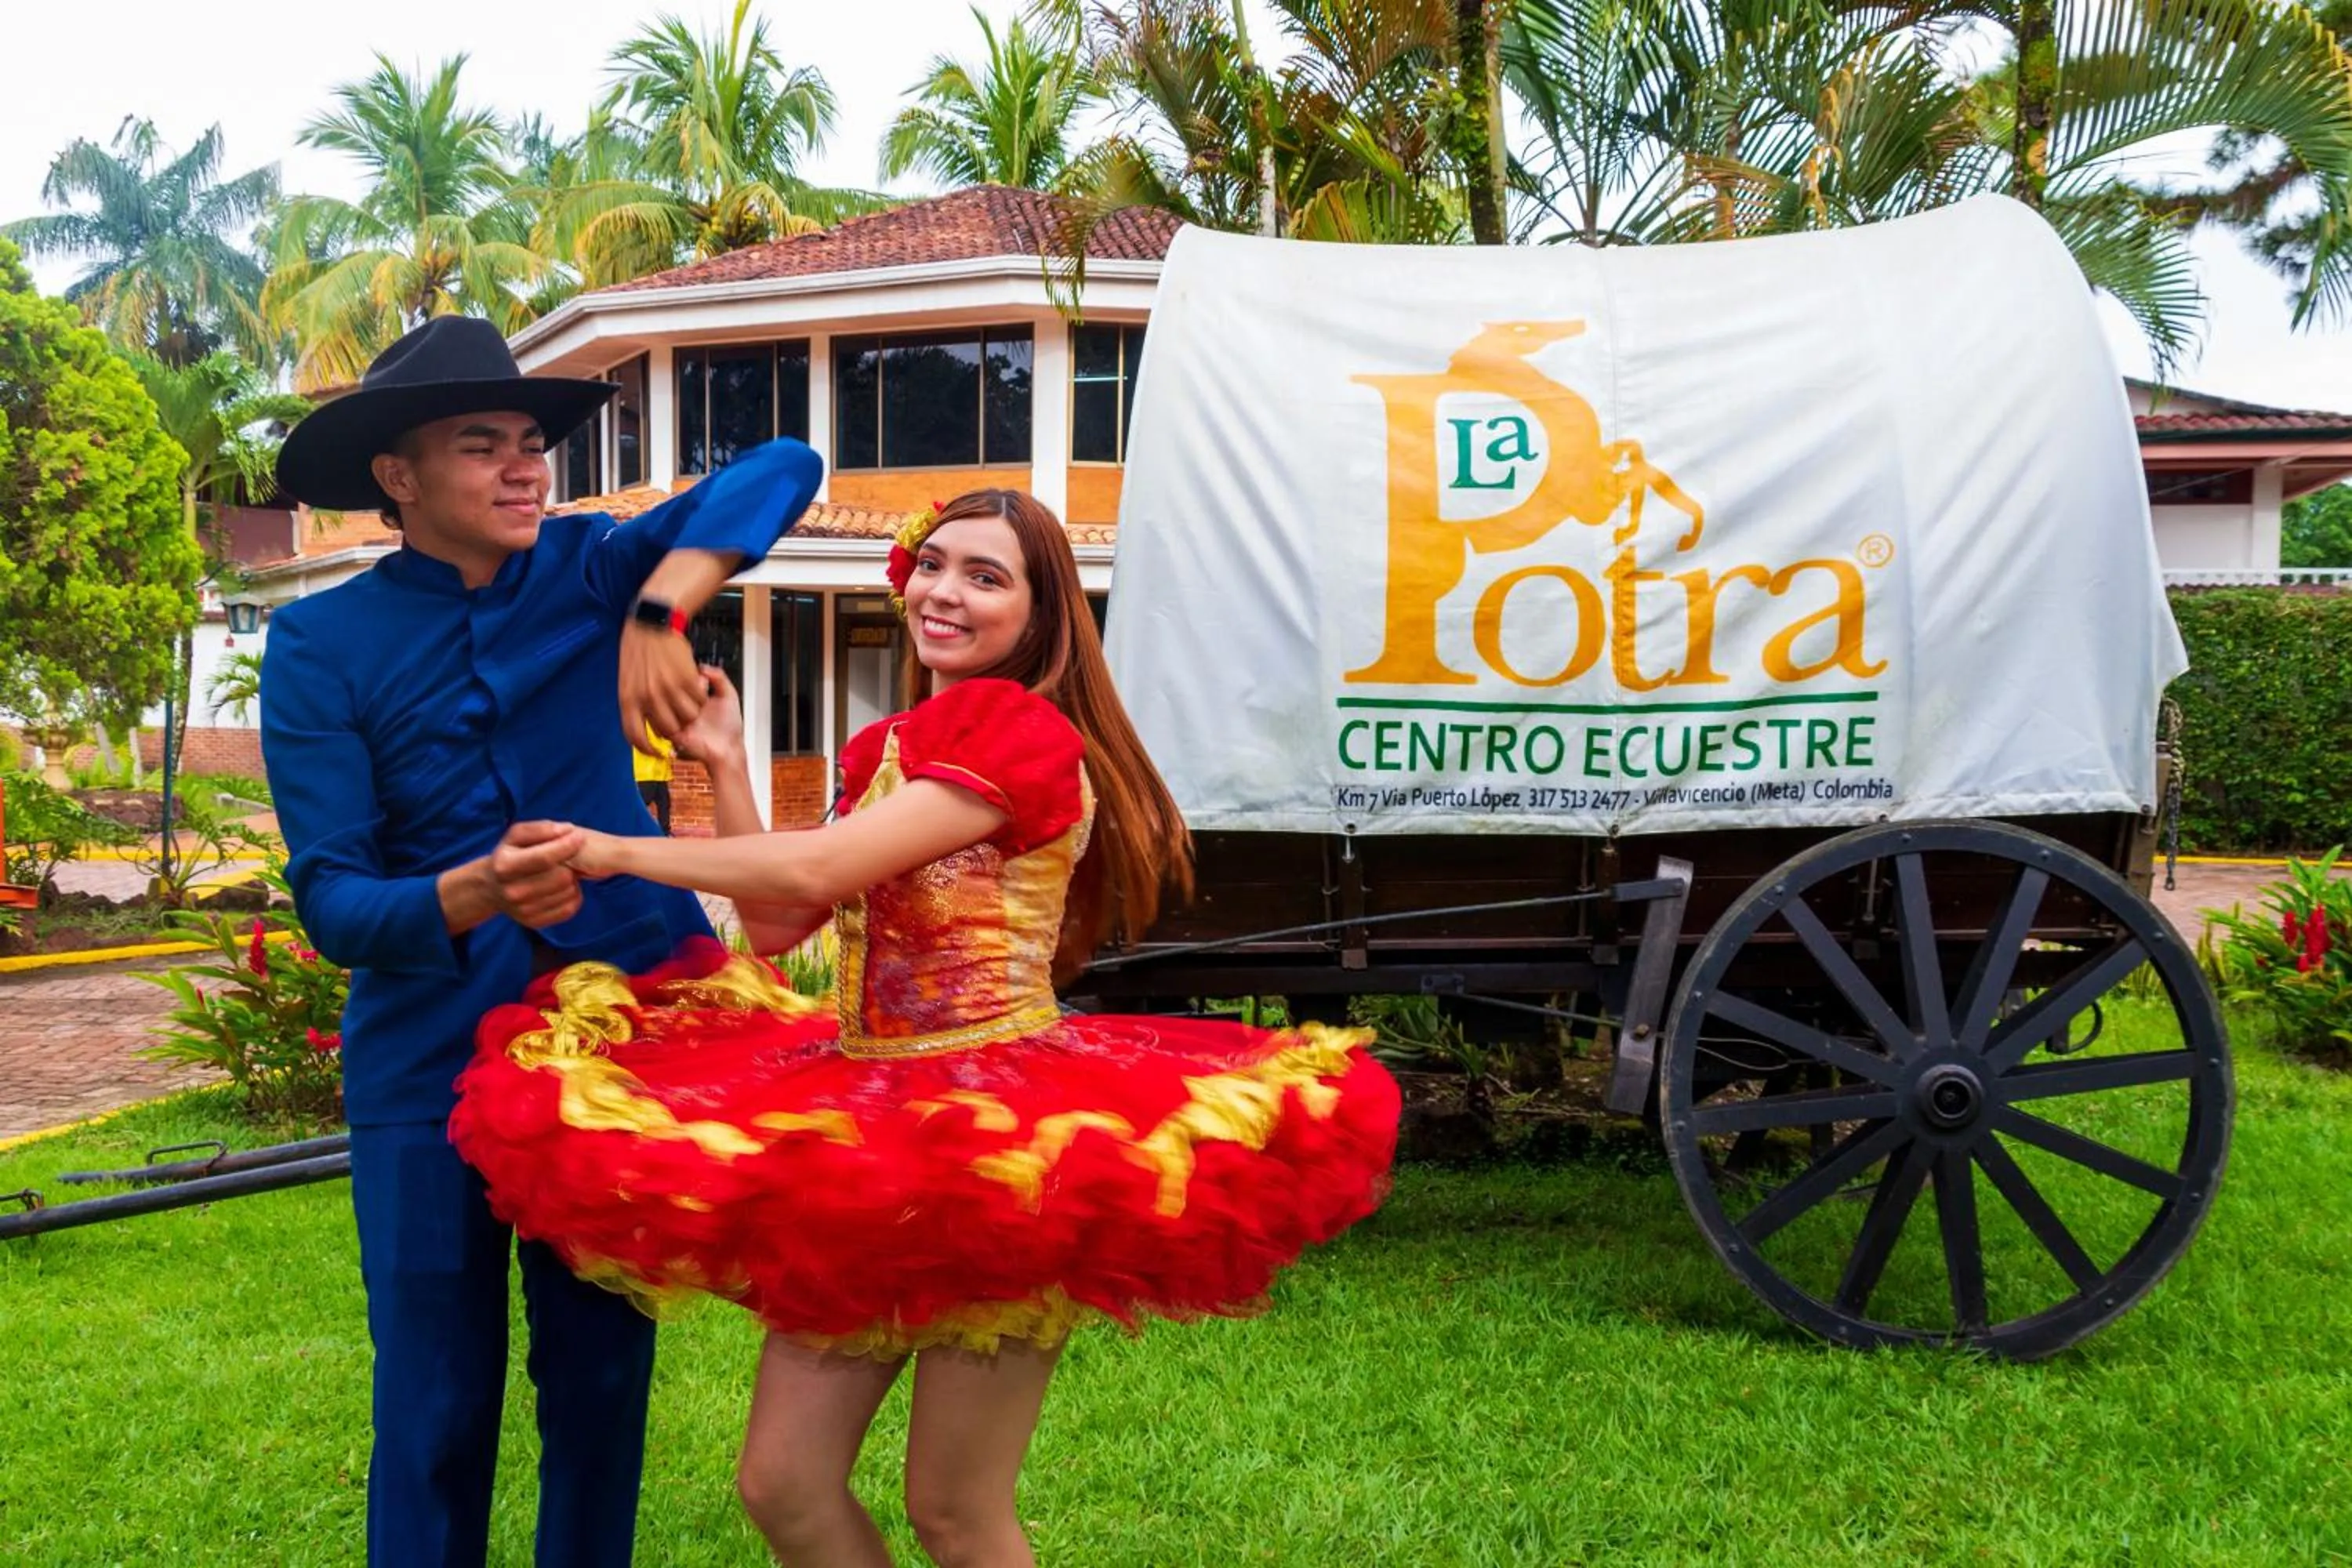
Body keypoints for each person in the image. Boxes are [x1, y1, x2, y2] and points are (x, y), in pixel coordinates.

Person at [449, 489, 1400, 1567]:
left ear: (1041, 615)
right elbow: (779, 919)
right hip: (869, 1121)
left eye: (986, 577)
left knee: (955, 1511)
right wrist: (723, 760)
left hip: (1001, 1139)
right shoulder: (893, 745)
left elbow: (818, 866)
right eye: (936, 564)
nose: (945, 592)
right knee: (783, 1484)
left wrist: (618, 851)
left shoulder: (1021, 731)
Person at [260, 313, 823, 1568]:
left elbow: (785, 464)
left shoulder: (590, 570)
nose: (527, 468)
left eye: (532, 443)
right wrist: (475, 894)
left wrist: (663, 608)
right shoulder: (316, 643)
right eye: (483, 445)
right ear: (398, 479)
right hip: (427, 1061)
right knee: (433, 1402)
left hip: (623, 1047)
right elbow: (336, 904)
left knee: (600, 1384)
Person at [633, 720, 677, 832]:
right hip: (647, 772)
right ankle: (631, 828)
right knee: (643, 802)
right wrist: (668, 751)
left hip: (660, 773)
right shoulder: (645, 722)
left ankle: (665, 831)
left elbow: (667, 741)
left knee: (664, 804)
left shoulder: (662, 722)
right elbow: (648, 742)